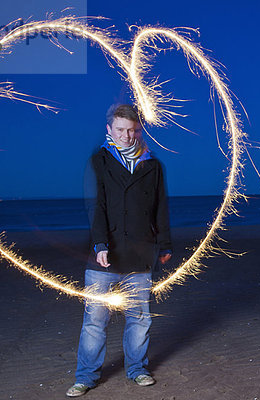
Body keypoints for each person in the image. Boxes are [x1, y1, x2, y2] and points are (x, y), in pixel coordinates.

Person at [66, 104, 172, 397]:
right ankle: (86, 376)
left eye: (134, 130)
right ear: (109, 130)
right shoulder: (98, 161)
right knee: (95, 321)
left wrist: (164, 244)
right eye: (122, 130)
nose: (128, 136)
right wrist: (100, 243)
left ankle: (137, 369)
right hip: (104, 254)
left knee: (139, 318)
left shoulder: (152, 165)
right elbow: (95, 205)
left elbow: (160, 208)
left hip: (140, 253)